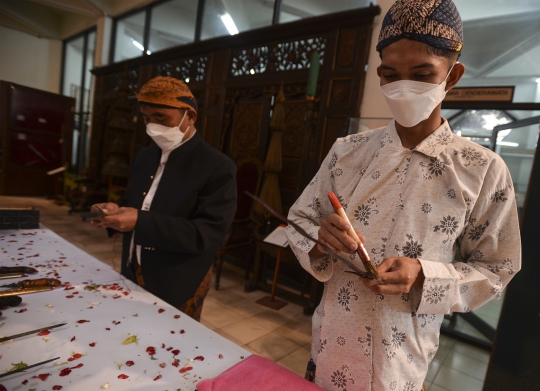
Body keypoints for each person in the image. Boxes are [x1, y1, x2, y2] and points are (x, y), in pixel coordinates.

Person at [286, 1, 521, 390]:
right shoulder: (347, 151)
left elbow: (497, 269)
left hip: (403, 354)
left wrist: (424, 275)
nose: (403, 86)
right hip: (331, 340)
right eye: (390, 75)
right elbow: (300, 219)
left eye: (422, 74)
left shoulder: (481, 169)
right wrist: (319, 240)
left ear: (453, 75)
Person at [91, 76, 237, 321]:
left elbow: (206, 235)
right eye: (147, 118)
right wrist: (114, 211)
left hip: (178, 280)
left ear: (189, 116)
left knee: (170, 347)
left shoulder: (217, 166)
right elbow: (133, 203)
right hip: (133, 267)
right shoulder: (144, 156)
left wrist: (140, 221)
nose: (152, 126)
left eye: (161, 117)